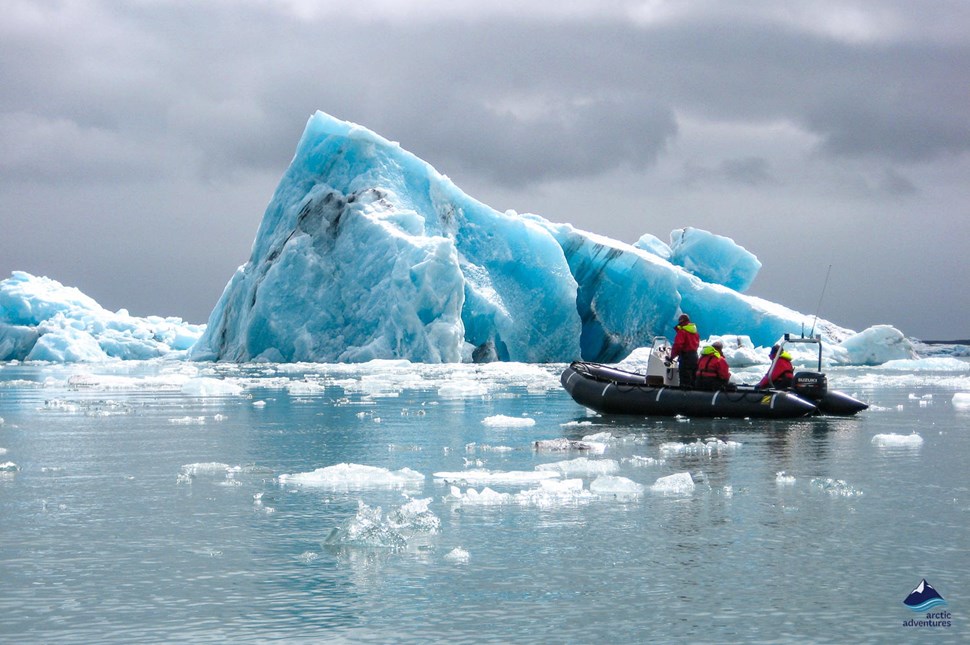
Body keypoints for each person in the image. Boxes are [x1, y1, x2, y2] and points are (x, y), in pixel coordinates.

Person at [670, 314, 699, 388]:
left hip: (686, 357)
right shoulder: (695, 332)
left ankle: (684, 396)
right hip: (695, 356)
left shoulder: (682, 332)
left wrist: (672, 357)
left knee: (685, 380)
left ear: (681, 322)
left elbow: (678, 345)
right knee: (693, 378)